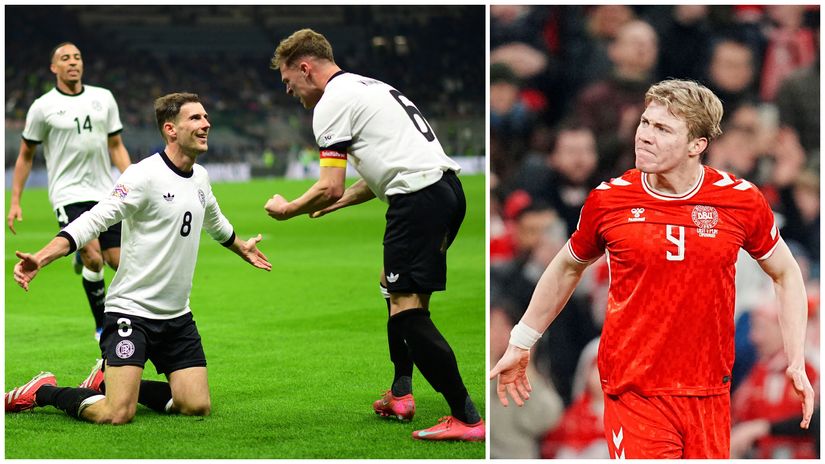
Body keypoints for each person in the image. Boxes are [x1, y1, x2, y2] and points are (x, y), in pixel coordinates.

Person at [490, 79, 815, 458]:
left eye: (662, 129)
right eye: (645, 123)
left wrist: (795, 359)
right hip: (636, 391)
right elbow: (565, 267)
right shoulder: (610, 200)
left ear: (697, 145)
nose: (644, 136)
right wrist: (521, 340)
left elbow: (786, 273)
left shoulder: (740, 200)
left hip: (709, 393)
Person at [264, 28, 484, 442]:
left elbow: (328, 183)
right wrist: (341, 202)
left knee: (406, 309)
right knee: (397, 288)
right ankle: (401, 392)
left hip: (416, 201)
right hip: (446, 191)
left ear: (305, 68)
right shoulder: (371, 87)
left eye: (287, 80)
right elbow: (379, 170)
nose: (288, 90)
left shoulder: (330, 102)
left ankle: (467, 417)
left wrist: (288, 210)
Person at [5, 92, 272, 425]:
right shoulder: (143, 176)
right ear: (171, 129)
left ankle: (107, 381)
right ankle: (43, 391)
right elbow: (94, 219)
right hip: (131, 312)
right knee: (117, 413)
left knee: (196, 405)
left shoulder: (200, 177)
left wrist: (240, 246)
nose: (206, 124)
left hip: (177, 316)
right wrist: (42, 258)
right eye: (196, 118)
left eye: (205, 117)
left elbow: (215, 222)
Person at [7, 42, 132, 341]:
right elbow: (25, 155)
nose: (73, 62)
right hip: (68, 193)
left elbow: (116, 146)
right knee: (93, 256)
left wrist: (134, 181)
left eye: (77, 57)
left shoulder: (104, 98)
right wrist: (14, 201)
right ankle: (102, 324)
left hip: (106, 191)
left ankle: (84, 262)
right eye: (65, 58)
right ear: (54, 68)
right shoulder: (43, 106)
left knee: (117, 261)